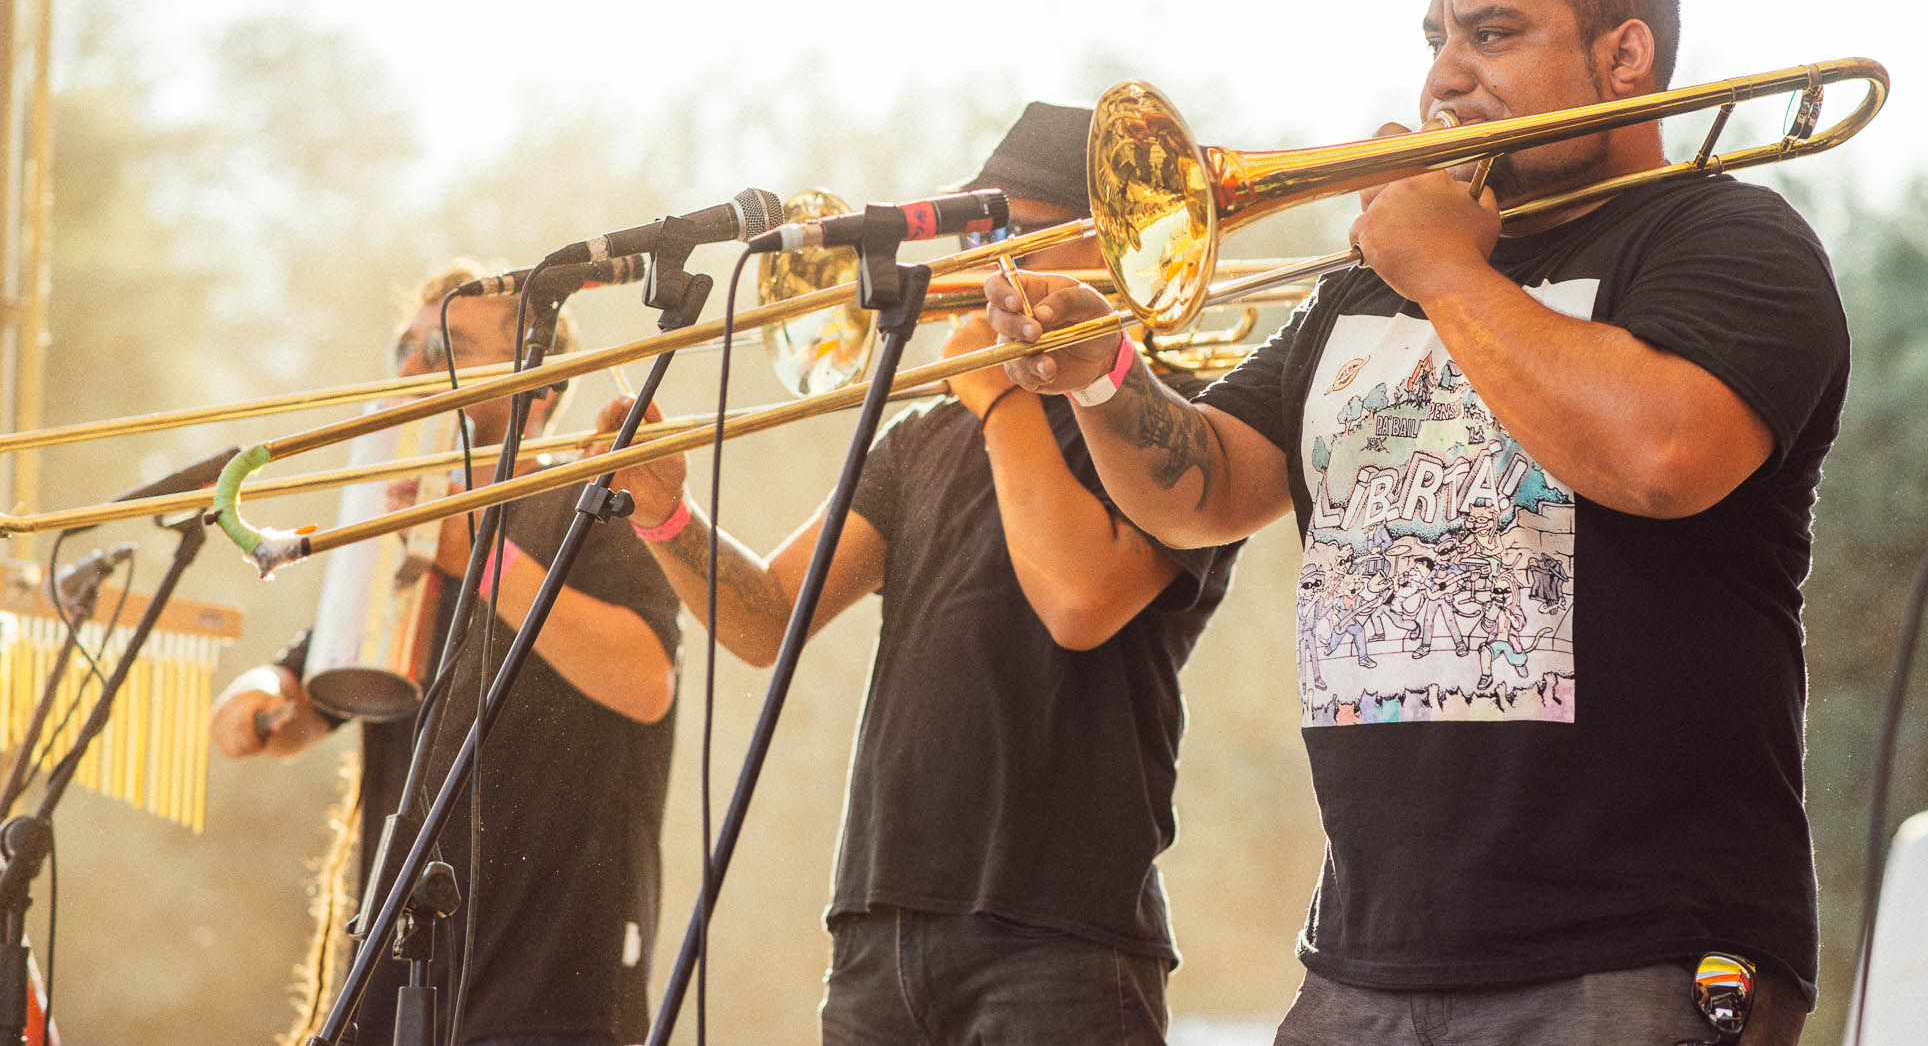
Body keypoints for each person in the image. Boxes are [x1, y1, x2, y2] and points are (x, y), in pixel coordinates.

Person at [987, 0, 1847, 1045]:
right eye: (1435, 39)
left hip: (1636, 942)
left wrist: (1445, 271)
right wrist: (1099, 375)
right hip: (1365, 956)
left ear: (1621, 53)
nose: (1445, 73)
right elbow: (1201, 493)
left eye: (1491, 34)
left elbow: (1660, 456)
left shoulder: (1726, 240)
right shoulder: (1362, 285)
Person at [598, 102, 1243, 1045]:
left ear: (1112, 248)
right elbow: (768, 619)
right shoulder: (920, 438)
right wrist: (666, 516)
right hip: (877, 924)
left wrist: (997, 393)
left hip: (1060, 936)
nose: (990, 265)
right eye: (980, 236)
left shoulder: (1171, 420)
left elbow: (1079, 598)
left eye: (1017, 233)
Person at [209, 264, 682, 1046]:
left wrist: (475, 554)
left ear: (538, 384)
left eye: (448, 348)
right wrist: (257, 696)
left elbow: (645, 679)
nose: (415, 369)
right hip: (400, 987)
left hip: (550, 989)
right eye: (407, 347)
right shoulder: (400, 512)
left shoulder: (595, 496)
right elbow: (307, 700)